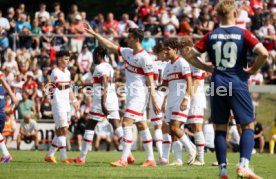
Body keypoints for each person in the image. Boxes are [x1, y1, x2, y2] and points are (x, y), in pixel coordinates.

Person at [184, 1, 268, 178]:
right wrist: (253, 69)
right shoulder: (243, 33)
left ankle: (222, 170)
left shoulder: (211, 35)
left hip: (217, 83)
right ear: (235, 14)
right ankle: (243, 165)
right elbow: (264, 53)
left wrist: (207, 68)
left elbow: (190, 55)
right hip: (237, 81)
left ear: (217, 16)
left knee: (220, 128)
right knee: (248, 125)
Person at [82, 22, 160, 167]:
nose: (127, 39)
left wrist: (154, 101)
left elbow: (150, 81)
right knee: (142, 125)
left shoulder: (145, 58)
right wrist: (94, 34)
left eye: (129, 37)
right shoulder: (127, 52)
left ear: (136, 39)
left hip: (139, 96)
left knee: (126, 122)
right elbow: (110, 45)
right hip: (132, 95)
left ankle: (124, 159)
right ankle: (150, 159)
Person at [72, 46, 123, 164]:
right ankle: (128, 154)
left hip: (102, 100)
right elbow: (101, 81)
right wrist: (84, 85)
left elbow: (104, 83)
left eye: (94, 54)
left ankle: (81, 158)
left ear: (98, 54)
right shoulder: (109, 66)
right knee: (117, 126)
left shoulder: (99, 67)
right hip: (113, 99)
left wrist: (103, 103)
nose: (93, 57)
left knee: (90, 126)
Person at [161, 39, 196, 166]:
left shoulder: (182, 62)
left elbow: (189, 81)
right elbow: (164, 86)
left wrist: (186, 98)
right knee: (172, 130)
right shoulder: (167, 66)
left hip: (180, 100)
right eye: (164, 49)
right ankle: (178, 159)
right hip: (170, 101)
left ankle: (191, 149)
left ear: (175, 50)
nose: (165, 51)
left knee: (175, 127)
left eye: (167, 49)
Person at [44, 50, 79, 164]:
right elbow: (59, 86)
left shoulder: (67, 72)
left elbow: (69, 89)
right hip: (58, 104)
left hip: (66, 104)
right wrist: (72, 84)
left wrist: (74, 100)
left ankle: (50, 155)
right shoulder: (55, 72)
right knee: (63, 129)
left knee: (61, 130)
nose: (68, 61)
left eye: (68, 59)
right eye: (66, 59)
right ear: (59, 59)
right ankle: (64, 157)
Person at [179, 39, 206, 166]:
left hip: (196, 97)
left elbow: (195, 82)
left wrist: (188, 98)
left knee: (196, 127)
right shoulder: (186, 61)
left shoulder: (196, 61)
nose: (179, 52)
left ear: (188, 49)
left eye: (181, 49)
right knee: (188, 126)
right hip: (188, 96)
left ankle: (200, 158)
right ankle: (193, 152)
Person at [151, 42, 171, 164]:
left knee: (158, 126)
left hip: (158, 93)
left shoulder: (152, 64)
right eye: (164, 51)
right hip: (168, 94)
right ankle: (165, 156)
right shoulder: (170, 64)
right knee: (165, 126)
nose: (165, 53)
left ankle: (162, 157)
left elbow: (150, 82)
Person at [0, 71, 18, 163]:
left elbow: (3, 81)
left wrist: (12, 95)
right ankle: (6, 154)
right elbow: (3, 81)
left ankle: (6, 155)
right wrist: (12, 95)